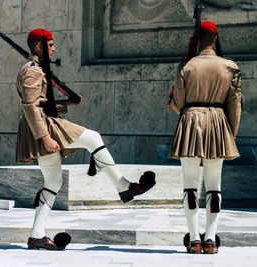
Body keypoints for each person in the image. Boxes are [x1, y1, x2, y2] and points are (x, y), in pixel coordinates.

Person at [16, 28, 156, 250]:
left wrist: (66, 104)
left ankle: (37, 235)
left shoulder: (36, 68)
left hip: (43, 121)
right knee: (92, 137)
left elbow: (41, 103)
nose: (54, 49)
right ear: (40, 46)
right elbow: (31, 106)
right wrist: (44, 137)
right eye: (50, 45)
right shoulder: (32, 71)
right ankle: (123, 186)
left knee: (53, 182)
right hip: (43, 125)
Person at [168, 21, 242, 254]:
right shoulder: (230, 66)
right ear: (216, 39)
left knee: (190, 187)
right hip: (219, 123)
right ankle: (210, 239)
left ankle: (193, 239)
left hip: (191, 122)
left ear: (197, 40)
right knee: (214, 186)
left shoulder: (186, 66)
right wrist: (230, 134)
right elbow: (235, 106)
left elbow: (177, 103)